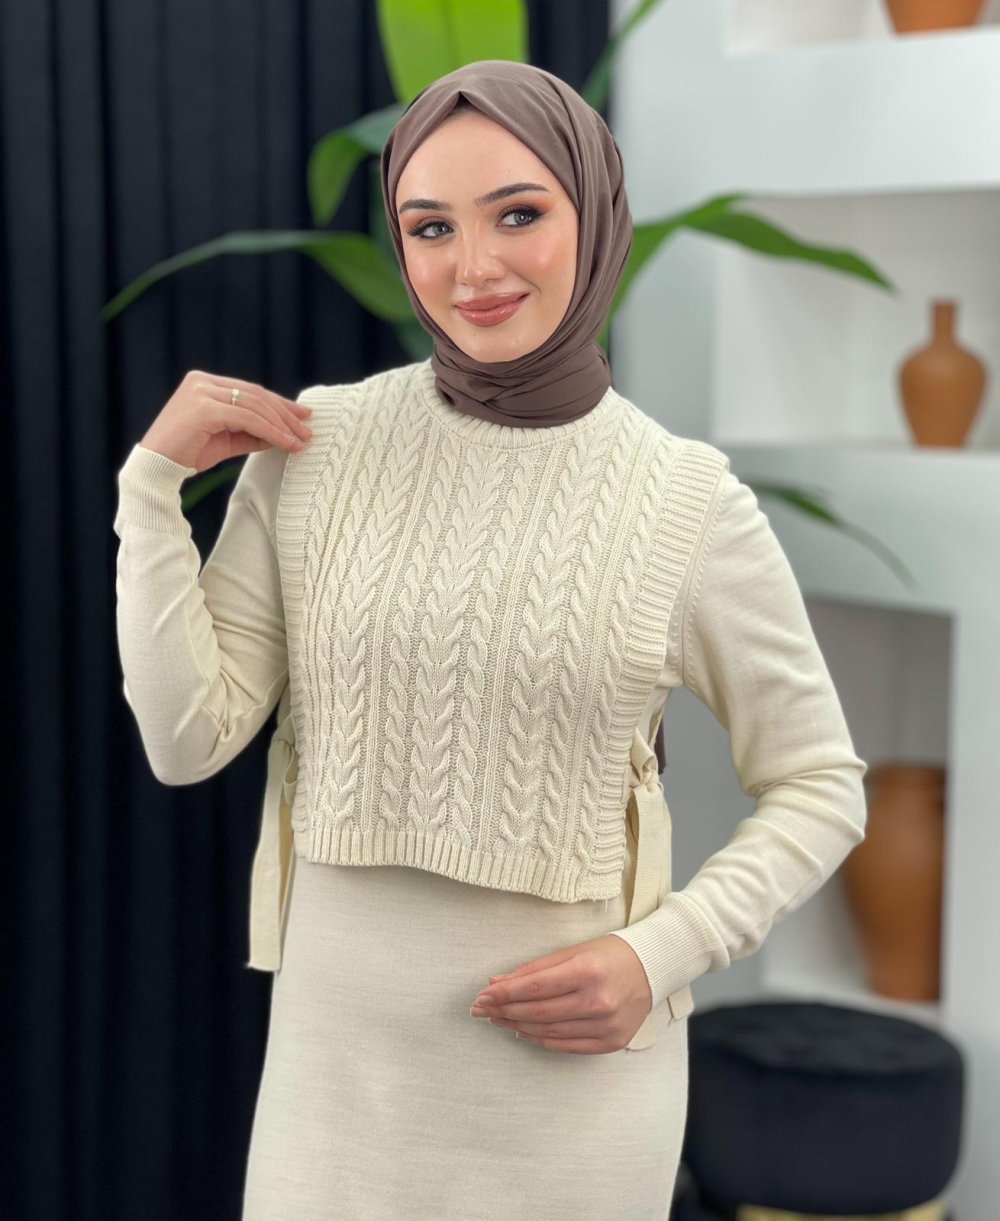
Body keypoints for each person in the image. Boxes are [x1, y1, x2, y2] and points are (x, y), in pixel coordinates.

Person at [113, 60, 867, 1221]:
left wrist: (660, 956)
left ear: (594, 213)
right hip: (335, 1090)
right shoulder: (319, 449)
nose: (473, 269)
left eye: (518, 214)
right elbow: (184, 740)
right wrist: (151, 490)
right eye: (431, 228)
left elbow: (820, 782)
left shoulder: (686, 502)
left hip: (570, 1100)